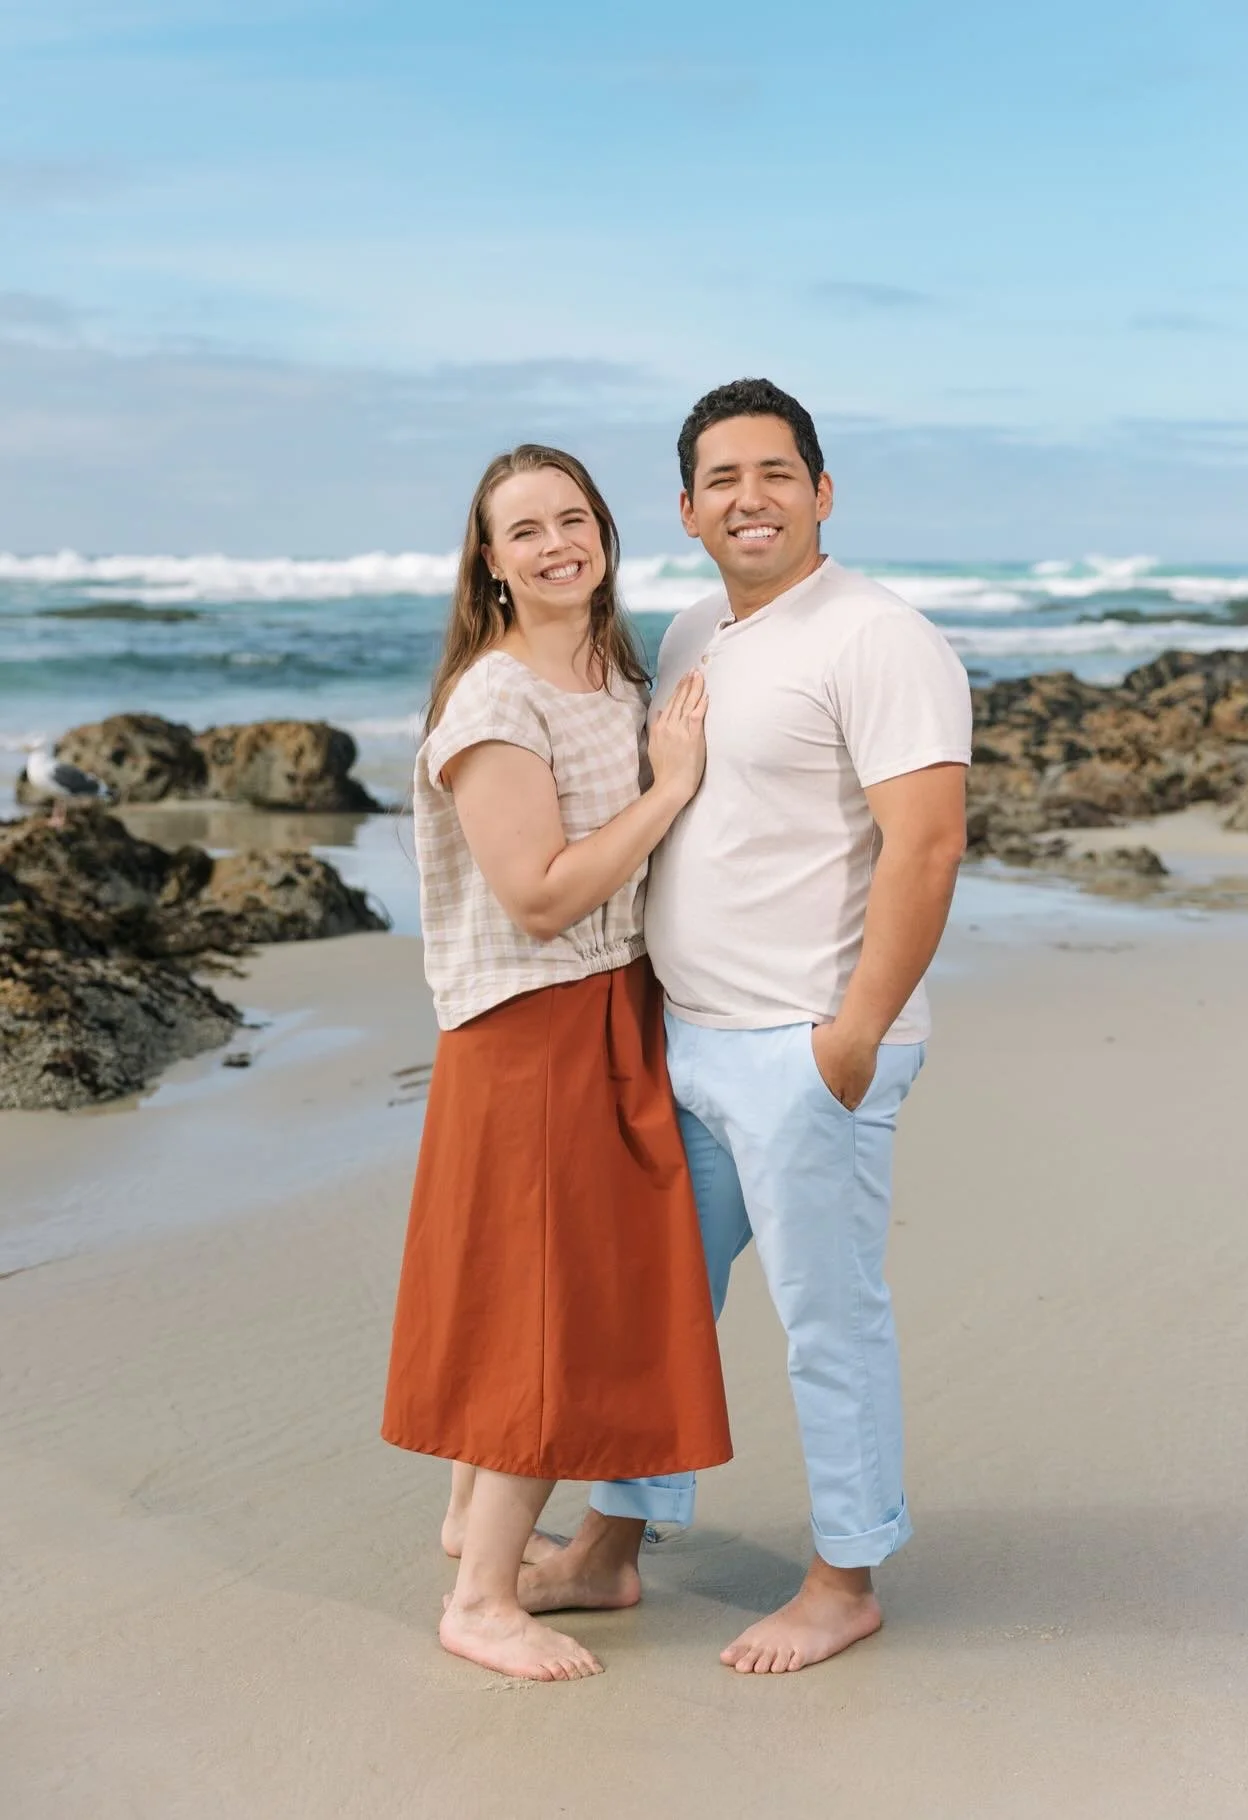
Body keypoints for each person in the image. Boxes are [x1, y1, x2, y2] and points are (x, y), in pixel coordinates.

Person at [518, 379, 973, 1675]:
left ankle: (845, 1576)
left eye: (774, 473)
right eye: (721, 480)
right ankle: (613, 1549)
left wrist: (852, 1035)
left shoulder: (877, 637)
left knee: (826, 1317)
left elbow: (926, 846)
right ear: (685, 510)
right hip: (692, 1042)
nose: (748, 498)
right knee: (652, 1308)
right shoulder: (689, 633)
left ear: (821, 493)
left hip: (806, 1047)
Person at [381, 443, 732, 1683]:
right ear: (489, 559)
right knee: (540, 1309)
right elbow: (535, 895)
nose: (553, 543)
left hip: (608, 1008)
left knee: (538, 1292)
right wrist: (672, 788)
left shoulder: (609, 668)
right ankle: (481, 1596)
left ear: (605, 532)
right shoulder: (494, 698)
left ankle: (482, 1528)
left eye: (570, 517)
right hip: (531, 1025)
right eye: (522, 529)